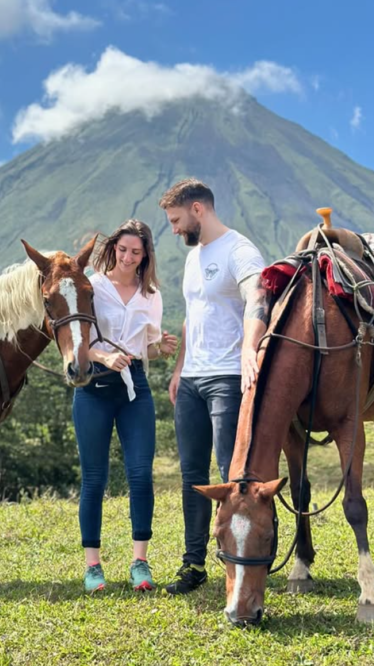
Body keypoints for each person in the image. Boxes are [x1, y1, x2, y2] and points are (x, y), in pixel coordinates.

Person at [159, 178, 270, 594]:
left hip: (227, 377)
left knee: (231, 476)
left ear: (197, 210)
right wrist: (180, 368)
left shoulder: (240, 250)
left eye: (175, 219)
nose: (172, 229)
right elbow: (194, 314)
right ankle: (193, 565)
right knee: (192, 475)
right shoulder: (195, 255)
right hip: (191, 381)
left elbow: (258, 299)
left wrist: (249, 349)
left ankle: (238, 564)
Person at [72, 219, 178, 593]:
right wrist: (101, 356)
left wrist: (159, 350)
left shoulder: (151, 295)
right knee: (95, 479)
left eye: (137, 251)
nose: (129, 257)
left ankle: (140, 561)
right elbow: (76, 341)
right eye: (123, 250)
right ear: (113, 248)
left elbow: (144, 348)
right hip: (93, 390)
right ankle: (93, 567)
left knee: (140, 475)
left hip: (136, 388)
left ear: (146, 255)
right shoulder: (93, 286)